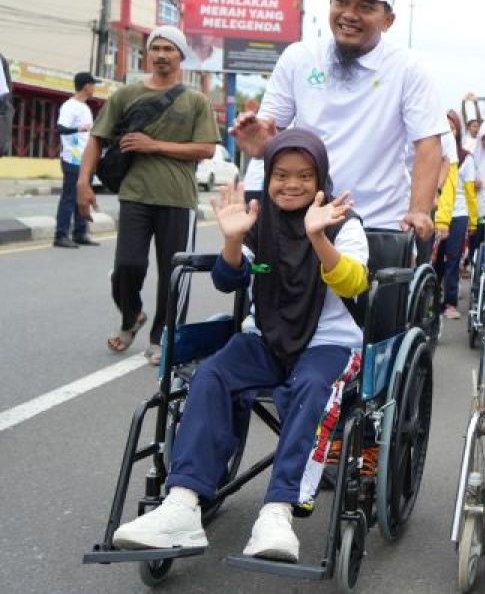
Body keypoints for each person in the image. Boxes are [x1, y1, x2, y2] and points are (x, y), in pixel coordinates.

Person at [112, 129, 369, 562]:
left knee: (311, 389)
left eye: (304, 175)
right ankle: (182, 504)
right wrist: (232, 239)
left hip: (329, 343)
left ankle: (278, 511)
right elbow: (228, 280)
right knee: (212, 374)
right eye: (281, 175)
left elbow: (355, 282)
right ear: (267, 177)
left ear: (320, 177)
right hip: (264, 337)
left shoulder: (342, 222)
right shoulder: (259, 219)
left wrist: (318, 239)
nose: (292, 184)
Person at [231, 0, 443, 238]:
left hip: (378, 221)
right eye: (341, 2)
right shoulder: (299, 57)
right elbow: (271, 136)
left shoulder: (407, 68)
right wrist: (261, 142)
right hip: (306, 215)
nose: (349, 15)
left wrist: (419, 210)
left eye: (365, 7)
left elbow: (427, 143)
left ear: (388, 21)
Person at [78, 26, 220, 362]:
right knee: (127, 265)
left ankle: (163, 337)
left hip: (178, 199)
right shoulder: (125, 95)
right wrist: (83, 182)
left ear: (181, 56)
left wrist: (154, 145)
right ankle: (131, 316)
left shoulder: (195, 100)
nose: (160, 55)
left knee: (174, 275)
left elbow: (206, 149)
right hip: (135, 194)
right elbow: (97, 139)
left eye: (168, 49)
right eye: (154, 48)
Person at [435, 111, 478, 319]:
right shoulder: (432, 153)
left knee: (453, 259)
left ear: (458, 131)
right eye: (446, 127)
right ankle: (431, 301)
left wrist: (473, 220)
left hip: (459, 214)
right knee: (434, 261)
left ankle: (450, 303)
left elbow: (470, 193)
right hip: (436, 213)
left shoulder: (466, 158)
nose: (449, 132)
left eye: (453, 128)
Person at [53, 72, 99, 248]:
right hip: (72, 158)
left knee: (83, 196)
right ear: (86, 86)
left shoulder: (85, 107)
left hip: (84, 160)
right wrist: (80, 128)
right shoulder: (70, 106)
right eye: (93, 84)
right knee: (70, 197)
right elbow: (61, 128)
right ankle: (61, 235)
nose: (94, 88)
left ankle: (80, 233)